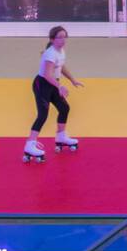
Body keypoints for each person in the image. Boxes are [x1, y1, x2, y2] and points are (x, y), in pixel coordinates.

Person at [22, 26, 85, 162]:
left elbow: (61, 66)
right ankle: (29, 145)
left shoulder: (60, 51)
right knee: (42, 115)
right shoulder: (50, 54)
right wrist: (60, 86)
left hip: (52, 84)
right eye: (59, 37)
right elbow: (46, 74)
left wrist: (72, 80)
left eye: (64, 37)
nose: (63, 40)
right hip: (42, 85)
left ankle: (61, 136)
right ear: (52, 39)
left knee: (64, 108)